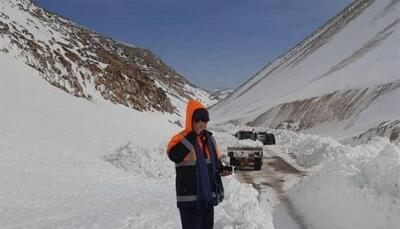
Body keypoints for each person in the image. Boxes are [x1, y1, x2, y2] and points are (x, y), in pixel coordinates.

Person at [167, 99, 231, 229]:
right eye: (198, 119)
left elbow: (216, 165)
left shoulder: (210, 140)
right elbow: (174, 155)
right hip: (190, 202)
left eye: (205, 119)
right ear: (190, 119)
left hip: (208, 199)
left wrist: (223, 169)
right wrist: (193, 134)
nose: (202, 123)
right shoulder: (180, 138)